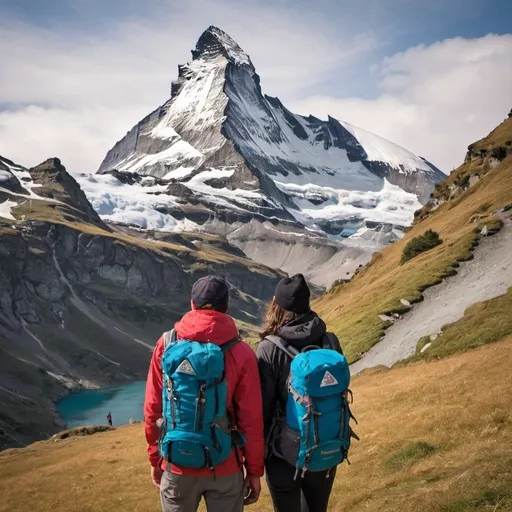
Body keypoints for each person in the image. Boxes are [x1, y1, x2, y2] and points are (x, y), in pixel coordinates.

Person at [144, 275, 264, 512]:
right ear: (226, 307)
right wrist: (254, 471)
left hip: (176, 462)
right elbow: (251, 420)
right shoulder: (241, 352)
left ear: (192, 304)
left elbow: (153, 408)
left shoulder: (166, 344)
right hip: (225, 465)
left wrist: (155, 458)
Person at [257, 274, 345, 512]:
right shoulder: (330, 341)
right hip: (325, 445)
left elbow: (262, 408)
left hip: (282, 454)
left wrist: (257, 453)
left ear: (276, 306)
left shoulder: (268, 348)